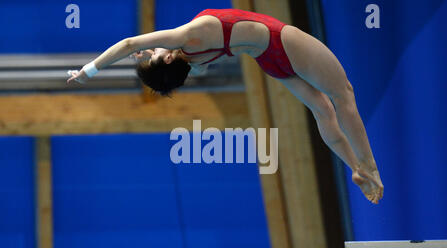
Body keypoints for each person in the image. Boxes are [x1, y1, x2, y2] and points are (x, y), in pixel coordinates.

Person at [67, 8, 384, 204]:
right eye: (152, 55)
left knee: (322, 110)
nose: (147, 52)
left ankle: (355, 168)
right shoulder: (187, 36)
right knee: (344, 95)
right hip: (281, 42)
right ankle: (368, 165)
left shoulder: (196, 62)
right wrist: (89, 70)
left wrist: (153, 64)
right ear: (165, 57)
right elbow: (129, 44)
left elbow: (163, 65)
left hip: (269, 62)